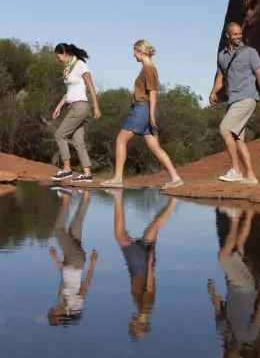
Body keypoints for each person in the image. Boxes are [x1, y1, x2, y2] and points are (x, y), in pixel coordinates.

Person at [101, 40, 183, 190]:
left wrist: (151, 115)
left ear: (140, 51)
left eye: (134, 52)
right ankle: (175, 178)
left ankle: (118, 178)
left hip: (142, 110)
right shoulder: (148, 68)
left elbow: (153, 92)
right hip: (146, 110)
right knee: (154, 147)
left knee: (120, 140)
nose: (133, 55)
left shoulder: (148, 69)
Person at [110, 190, 178, 339]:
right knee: (121, 234)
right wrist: (148, 262)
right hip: (140, 266)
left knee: (152, 228)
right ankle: (117, 196)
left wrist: (149, 261)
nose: (130, 322)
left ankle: (173, 201)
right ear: (136, 325)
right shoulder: (145, 308)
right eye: (131, 326)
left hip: (139, 266)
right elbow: (149, 285)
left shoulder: (145, 308)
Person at [209, 23, 260, 185]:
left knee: (224, 129)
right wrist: (213, 92)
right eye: (235, 34)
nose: (238, 37)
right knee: (238, 139)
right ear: (228, 36)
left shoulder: (250, 52)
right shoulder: (222, 56)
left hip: (247, 97)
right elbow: (220, 78)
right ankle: (250, 176)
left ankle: (236, 170)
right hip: (233, 100)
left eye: (240, 34)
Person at [208, 208, 260, 356]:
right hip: (246, 288)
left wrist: (212, 293)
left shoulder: (226, 334)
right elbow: (258, 316)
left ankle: (249, 214)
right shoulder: (249, 337)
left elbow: (219, 309)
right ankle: (235, 218)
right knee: (223, 257)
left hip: (233, 284)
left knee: (238, 248)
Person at [51, 43, 101, 182]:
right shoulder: (67, 70)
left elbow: (90, 86)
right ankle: (87, 174)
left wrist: (96, 107)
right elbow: (68, 93)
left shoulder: (80, 65)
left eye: (58, 56)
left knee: (60, 135)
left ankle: (67, 169)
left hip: (80, 106)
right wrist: (59, 107)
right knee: (78, 141)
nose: (58, 59)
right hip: (72, 106)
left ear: (65, 53)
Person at [47, 189, 98, 325]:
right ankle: (66, 198)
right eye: (52, 312)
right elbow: (86, 285)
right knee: (58, 230)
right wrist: (93, 263)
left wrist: (55, 259)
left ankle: (86, 196)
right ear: (58, 316)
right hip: (75, 260)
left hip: (71, 260)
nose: (52, 309)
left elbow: (65, 277)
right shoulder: (73, 306)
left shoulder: (62, 302)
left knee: (75, 225)